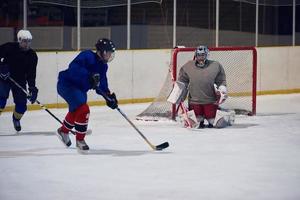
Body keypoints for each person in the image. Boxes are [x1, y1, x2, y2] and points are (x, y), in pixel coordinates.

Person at [56, 38, 118, 151]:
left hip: (80, 90)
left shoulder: (103, 66)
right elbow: (73, 68)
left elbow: (102, 84)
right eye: (108, 53)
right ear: (102, 51)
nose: (109, 56)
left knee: (76, 111)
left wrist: (108, 96)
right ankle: (80, 140)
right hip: (67, 85)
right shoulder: (87, 55)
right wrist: (88, 75)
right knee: (84, 109)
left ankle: (63, 131)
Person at [178, 45, 229, 128]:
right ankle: (200, 120)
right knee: (195, 123)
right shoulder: (188, 66)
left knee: (215, 123)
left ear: (207, 55)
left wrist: (222, 90)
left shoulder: (215, 65)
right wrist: (179, 93)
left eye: (203, 55)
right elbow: (183, 81)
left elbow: (221, 81)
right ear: (195, 55)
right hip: (194, 102)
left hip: (210, 101)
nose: (201, 57)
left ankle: (224, 114)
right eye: (199, 55)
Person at [0, 29, 38, 131]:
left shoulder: (32, 56)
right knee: (1, 100)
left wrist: (32, 87)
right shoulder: (9, 47)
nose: (27, 44)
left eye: (29, 41)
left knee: (22, 106)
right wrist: (2, 68)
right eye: (24, 41)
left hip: (19, 81)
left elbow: (31, 74)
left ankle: (16, 119)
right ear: (19, 40)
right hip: (4, 78)